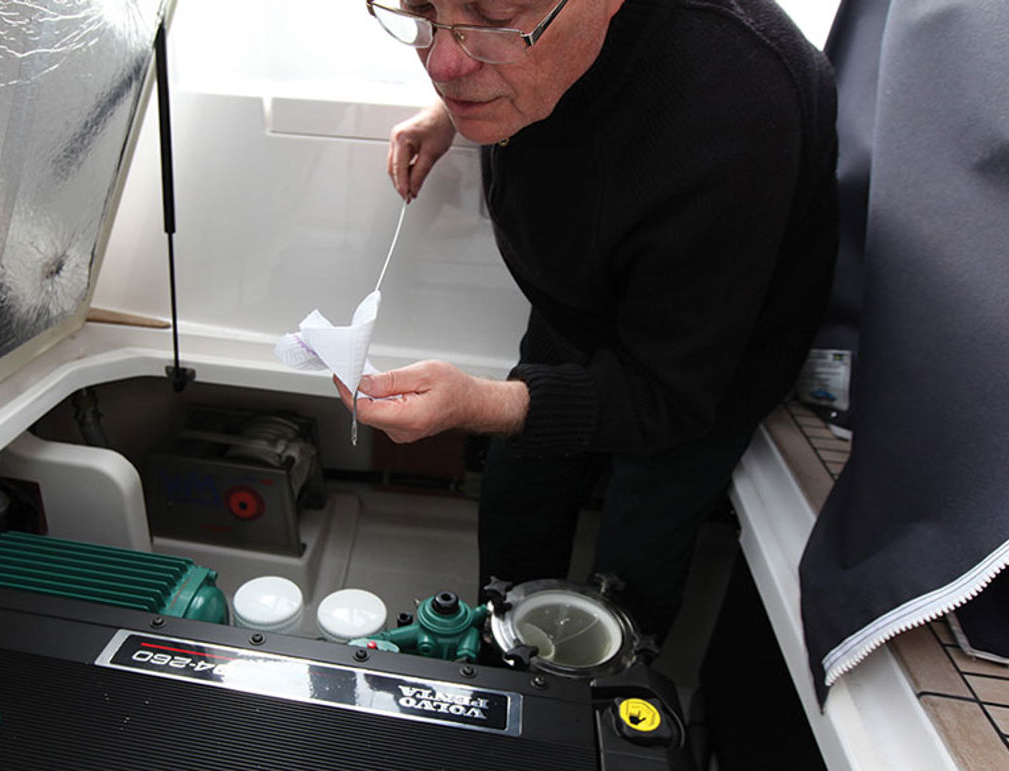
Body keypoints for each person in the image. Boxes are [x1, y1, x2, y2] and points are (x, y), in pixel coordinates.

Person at [337, 0, 837, 639]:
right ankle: (501, 650)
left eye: (493, 17)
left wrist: (482, 404)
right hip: (576, 303)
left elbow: (668, 397)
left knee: (641, 541)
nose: (443, 61)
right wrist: (451, 111)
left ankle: (615, 689)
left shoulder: (741, 108)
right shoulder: (525, 41)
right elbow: (480, 50)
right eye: (420, 11)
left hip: (706, 361)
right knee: (517, 492)